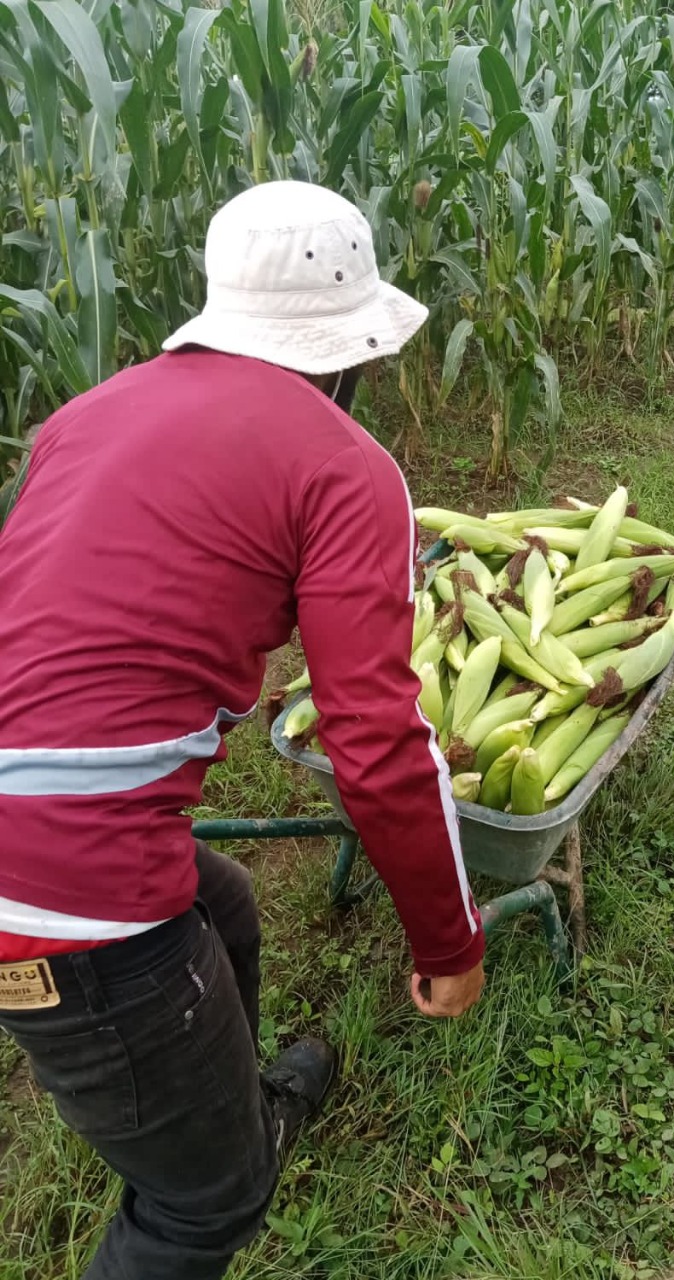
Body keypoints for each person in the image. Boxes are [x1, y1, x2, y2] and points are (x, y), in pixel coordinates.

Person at [0, 180, 486, 1279]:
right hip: (66, 897)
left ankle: (233, 1093)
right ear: (348, 347)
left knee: (223, 901)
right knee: (198, 1210)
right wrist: (450, 947)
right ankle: (219, 1159)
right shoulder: (343, 465)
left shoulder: (82, 417)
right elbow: (375, 740)